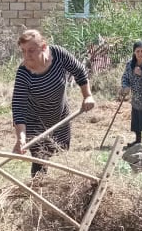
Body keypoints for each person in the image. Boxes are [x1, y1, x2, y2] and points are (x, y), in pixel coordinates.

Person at [12, 29, 95, 175]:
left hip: (60, 117)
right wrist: (21, 139)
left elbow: (79, 71)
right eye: (23, 51)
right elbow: (18, 107)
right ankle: (38, 190)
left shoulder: (58, 54)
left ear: (44, 47)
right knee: (40, 159)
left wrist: (87, 95)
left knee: (61, 151)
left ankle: (60, 185)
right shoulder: (23, 73)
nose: (27, 56)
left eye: (31, 50)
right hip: (35, 122)